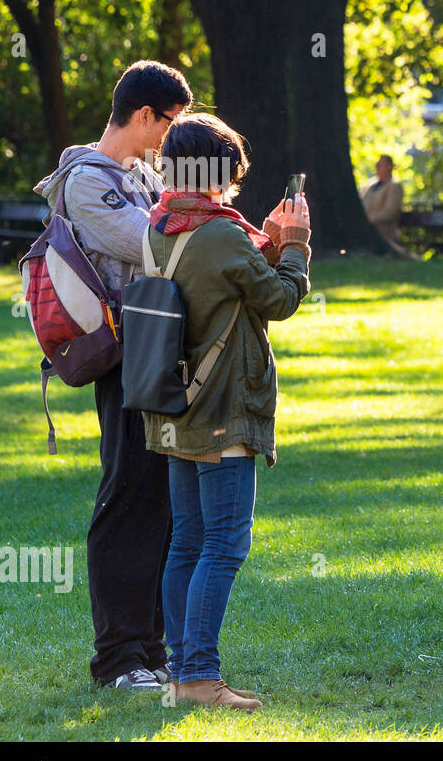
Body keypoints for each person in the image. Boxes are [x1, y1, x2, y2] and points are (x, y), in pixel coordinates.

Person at [140, 113, 311, 712]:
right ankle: (199, 676)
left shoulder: (159, 226)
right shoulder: (221, 234)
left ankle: (184, 671)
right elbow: (281, 299)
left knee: (187, 543)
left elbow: (225, 277)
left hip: (174, 406)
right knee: (225, 545)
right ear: (218, 171)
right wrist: (296, 246)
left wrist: (263, 240)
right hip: (222, 408)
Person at [33, 60, 193, 690]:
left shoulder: (144, 177)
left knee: (163, 498)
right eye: (169, 123)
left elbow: (176, 234)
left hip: (159, 347)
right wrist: (199, 224)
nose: (170, 137)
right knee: (128, 494)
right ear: (144, 114)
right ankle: (118, 657)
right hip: (125, 356)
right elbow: (150, 245)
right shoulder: (87, 182)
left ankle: (152, 650)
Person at [360, 154, 412, 256]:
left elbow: (390, 213)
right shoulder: (370, 186)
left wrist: (368, 220)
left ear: (390, 167)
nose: (377, 167)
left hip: (384, 233)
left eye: (381, 164)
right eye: (377, 164)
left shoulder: (394, 186)